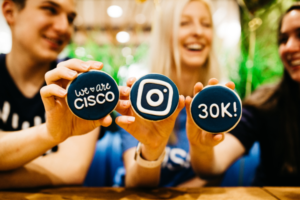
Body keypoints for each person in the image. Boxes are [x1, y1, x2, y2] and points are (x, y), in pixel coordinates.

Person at [0, 0, 131, 189]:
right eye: (50, 10)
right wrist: (50, 134)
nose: (64, 27)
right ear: (10, 11)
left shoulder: (81, 81)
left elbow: (70, 169)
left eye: (70, 18)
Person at [115, 0, 235, 187]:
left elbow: (213, 174)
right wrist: (152, 148)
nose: (198, 32)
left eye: (206, 24)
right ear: (165, 34)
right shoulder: (141, 102)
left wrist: (202, 150)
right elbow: (134, 182)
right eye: (184, 23)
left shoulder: (219, 106)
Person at [189, 2, 300, 186]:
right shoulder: (266, 102)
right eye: (283, 39)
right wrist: (201, 147)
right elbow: (212, 167)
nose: (288, 47)